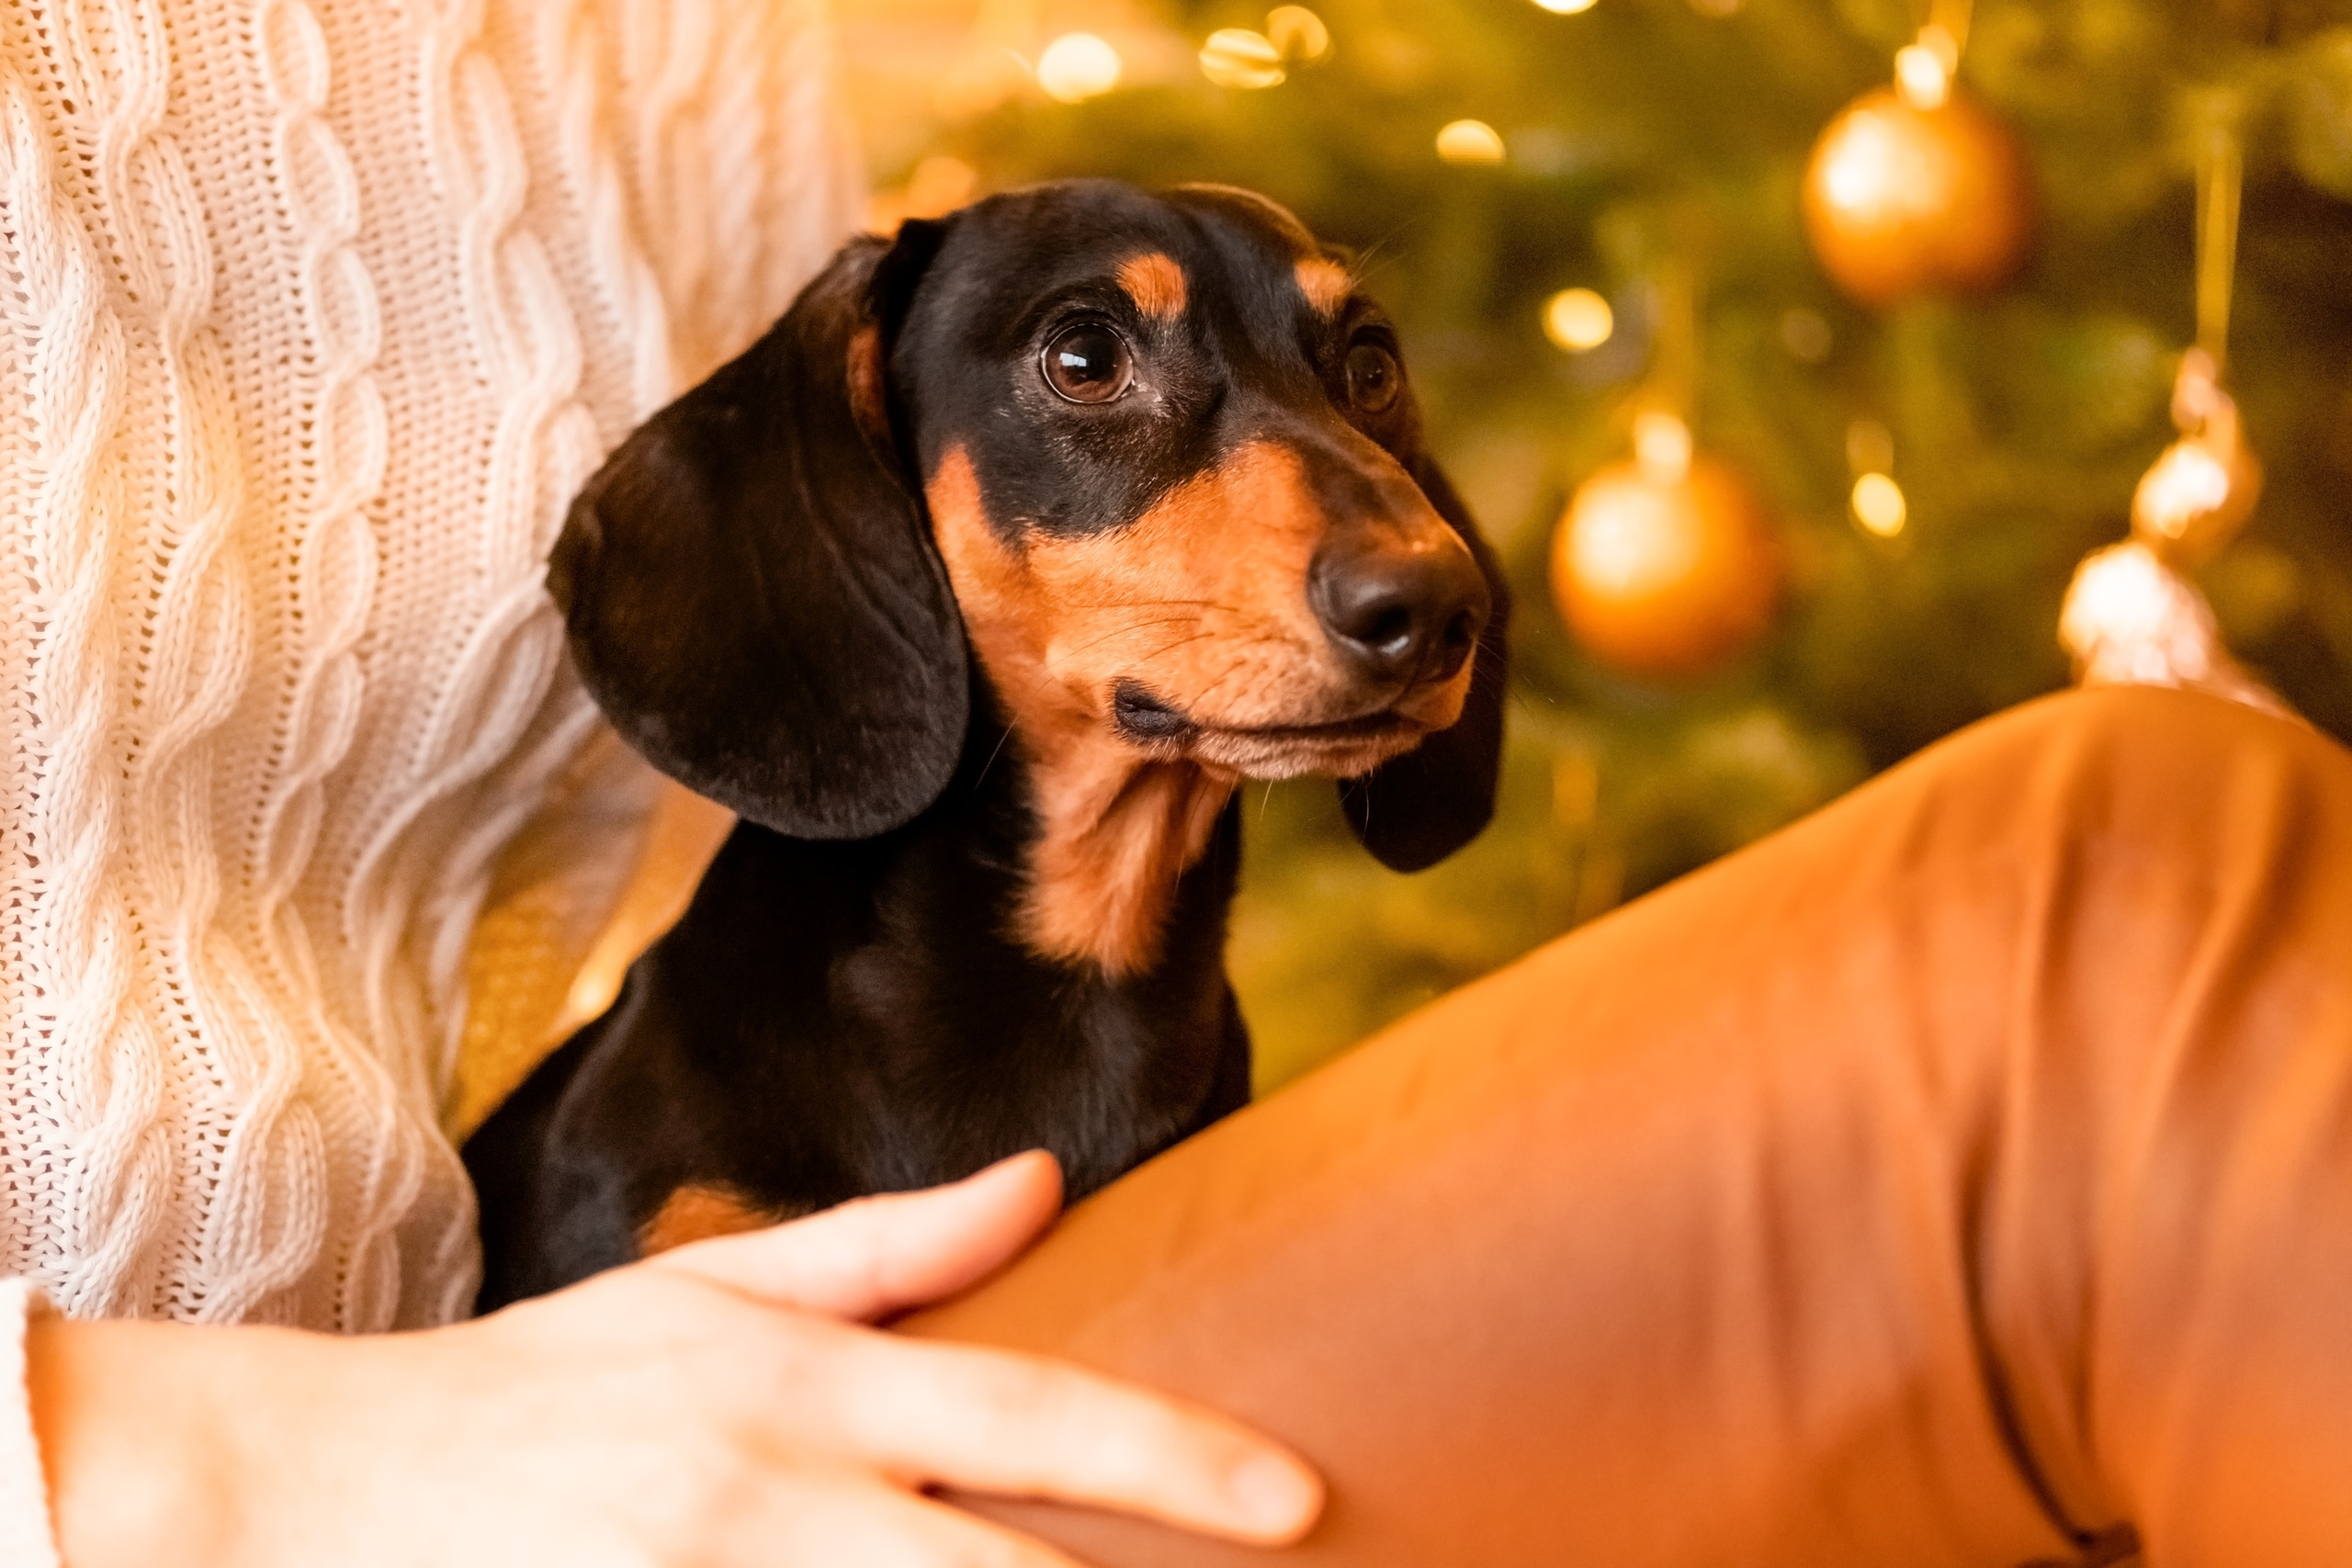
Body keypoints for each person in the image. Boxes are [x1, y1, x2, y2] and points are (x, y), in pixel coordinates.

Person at [7, 8, 2351, 1568]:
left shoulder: (670, 44)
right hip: (396, 1475)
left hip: (785, 1369)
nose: (1388, 547)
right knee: (2117, 902)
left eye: (1347, 377)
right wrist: (237, 1461)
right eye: (1084, 359)